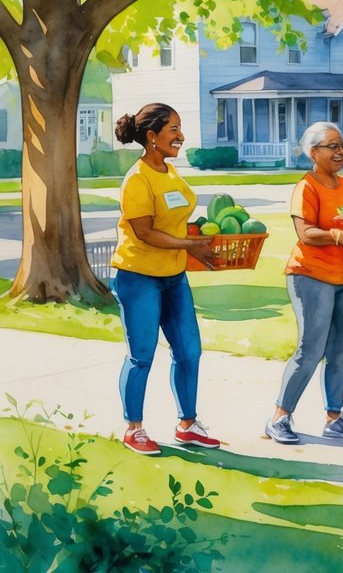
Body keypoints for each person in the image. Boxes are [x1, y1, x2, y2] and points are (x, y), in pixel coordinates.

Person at [110, 103, 221, 455]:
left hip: (174, 276)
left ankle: (187, 425)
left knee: (189, 351)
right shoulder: (137, 179)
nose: (181, 136)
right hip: (138, 277)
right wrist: (192, 245)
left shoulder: (171, 173)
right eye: (173, 129)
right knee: (141, 355)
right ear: (151, 136)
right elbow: (144, 232)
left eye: (180, 128)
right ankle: (134, 428)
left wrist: (198, 237)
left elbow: (173, 219)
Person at [265, 122, 343, 445]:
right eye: (332, 146)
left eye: (342, 146)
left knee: (340, 350)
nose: (340, 151)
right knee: (310, 349)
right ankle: (279, 418)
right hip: (309, 275)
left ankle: (334, 417)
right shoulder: (306, 187)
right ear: (314, 153)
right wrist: (338, 235)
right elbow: (305, 233)